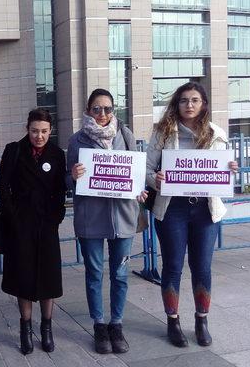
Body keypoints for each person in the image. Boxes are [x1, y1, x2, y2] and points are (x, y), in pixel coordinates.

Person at [146, 82, 238, 347]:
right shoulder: (163, 133)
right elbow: (147, 169)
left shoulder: (216, 134)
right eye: (184, 100)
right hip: (172, 207)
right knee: (173, 266)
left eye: (195, 100)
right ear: (177, 104)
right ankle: (172, 321)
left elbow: (222, 173)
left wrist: (231, 168)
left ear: (203, 104)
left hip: (205, 210)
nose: (189, 105)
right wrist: (156, 179)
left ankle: (201, 320)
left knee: (202, 267)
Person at [66, 89, 147, 354]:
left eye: (108, 109)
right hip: (91, 218)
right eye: (97, 109)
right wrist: (73, 176)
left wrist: (140, 191)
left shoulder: (125, 135)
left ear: (114, 111)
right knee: (94, 274)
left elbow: (136, 173)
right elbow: (67, 183)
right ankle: (99, 325)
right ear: (88, 110)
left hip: (123, 217)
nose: (103, 114)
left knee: (120, 274)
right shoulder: (77, 141)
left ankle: (117, 324)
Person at [0, 108, 66, 355]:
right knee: (23, 279)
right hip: (21, 225)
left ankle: (46, 328)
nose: (39, 136)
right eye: (35, 131)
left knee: (49, 278)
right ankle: (25, 328)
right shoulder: (14, 150)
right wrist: (13, 217)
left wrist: (56, 216)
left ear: (50, 131)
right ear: (27, 129)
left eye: (44, 131)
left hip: (47, 225)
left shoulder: (57, 154)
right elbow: (2, 187)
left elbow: (60, 190)